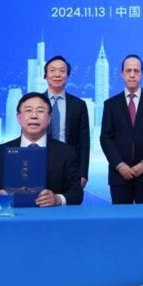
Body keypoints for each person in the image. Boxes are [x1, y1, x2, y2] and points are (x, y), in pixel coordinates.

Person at [0, 92, 83, 206]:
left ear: (49, 118)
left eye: (40, 111)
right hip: (10, 216)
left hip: (49, 216)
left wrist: (57, 199)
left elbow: (77, 193)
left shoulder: (66, 152)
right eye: (28, 110)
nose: (34, 116)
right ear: (19, 117)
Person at [100, 54, 143, 204]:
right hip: (119, 175)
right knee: (121, 217)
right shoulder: (110, 104)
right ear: (121, 74)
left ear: (142, 74)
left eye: (136, 71)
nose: (132, 74)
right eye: (128, 70)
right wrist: (119, 165)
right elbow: (105, 138)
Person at [44, 55, 90, 188]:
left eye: (62, 71)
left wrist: (83, 173)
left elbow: (84, 142)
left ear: (67, 76)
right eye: (52, 70)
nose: (57, 74)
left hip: (70, 166)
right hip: (41, 163)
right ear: (45, 75)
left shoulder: (79, 105)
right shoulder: (36, 102)